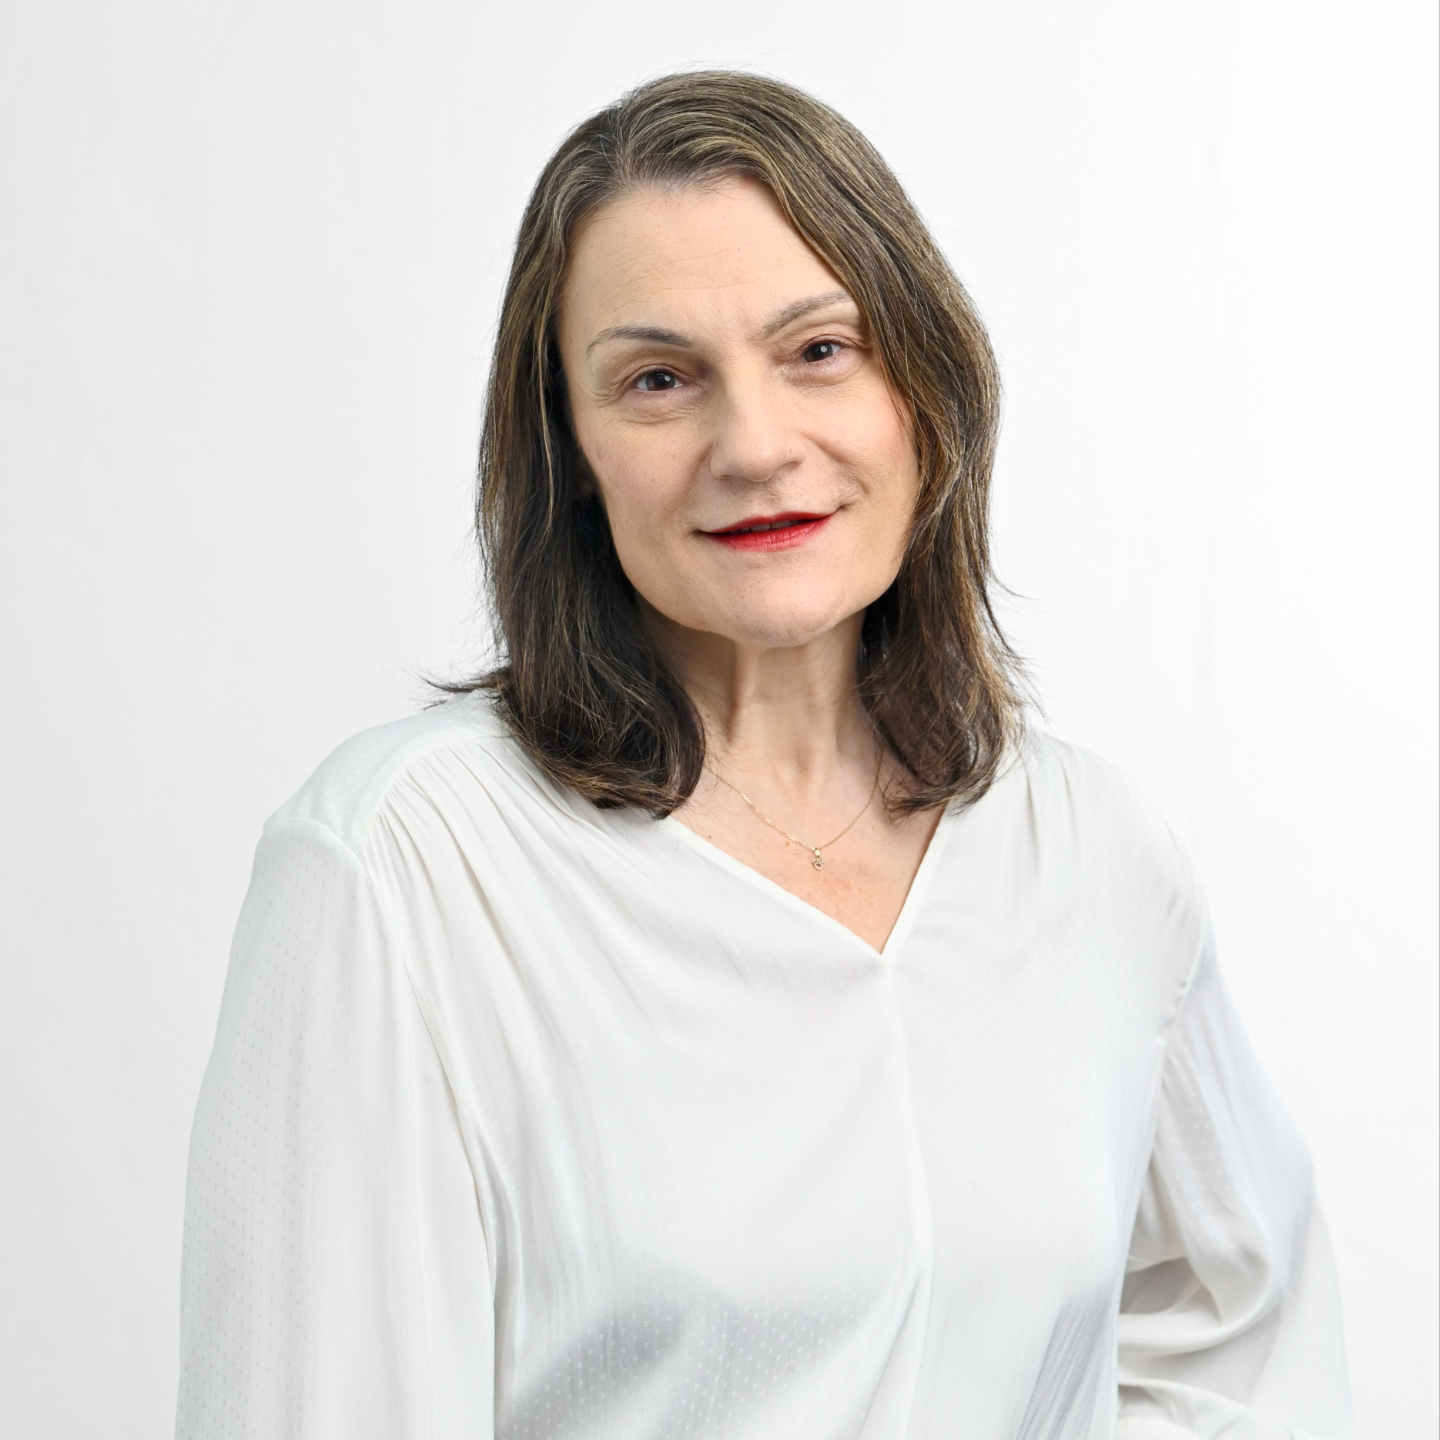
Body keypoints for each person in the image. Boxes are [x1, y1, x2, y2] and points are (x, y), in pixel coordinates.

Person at [175, 72, 1352, 1439]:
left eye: (820, 350)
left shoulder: (1091, 853)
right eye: (658, 380)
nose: (754, 445)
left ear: (925, 388)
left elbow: (1242, 1340)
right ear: (568, 451)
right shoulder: (406, 870)